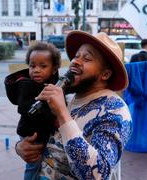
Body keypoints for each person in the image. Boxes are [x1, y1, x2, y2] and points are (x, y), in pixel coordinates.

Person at [15, 31, 132, 179]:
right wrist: (21, 147)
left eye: (87, 58)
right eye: (76, 56)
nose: (75, 61)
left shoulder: (114, 111)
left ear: (105, 74)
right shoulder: (67, 96)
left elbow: (97, 174)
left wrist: (62, 114)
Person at [4, 41, 61, 180]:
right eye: (32, 65)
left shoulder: (53, 84)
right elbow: (25, 107)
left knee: (43, 164)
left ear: (54, 69)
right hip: (30, 134)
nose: (36, 70)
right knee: (33, 165)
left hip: (41, 133)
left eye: (43, 66)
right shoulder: (26, 85)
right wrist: (53, 116)